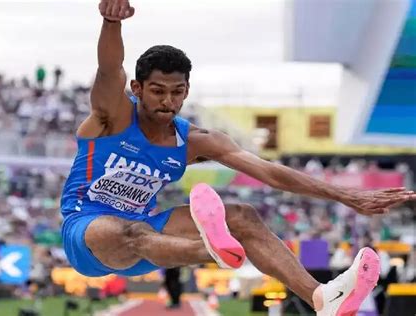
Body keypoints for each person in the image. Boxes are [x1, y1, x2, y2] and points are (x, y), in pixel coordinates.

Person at [60, 1, 416, 315]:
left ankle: (322, 299)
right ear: (137, 89)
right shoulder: (113, 118)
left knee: (244, 216)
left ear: (186, 91)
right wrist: (112, 22)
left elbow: (271, 173)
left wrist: (347, 196)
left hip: (152, 236)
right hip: (87, 230)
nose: (167, 101)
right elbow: (109, 70)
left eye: (177, 92)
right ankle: (213, 248)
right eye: (156, 91)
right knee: (133, 231)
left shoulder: (195, 140)